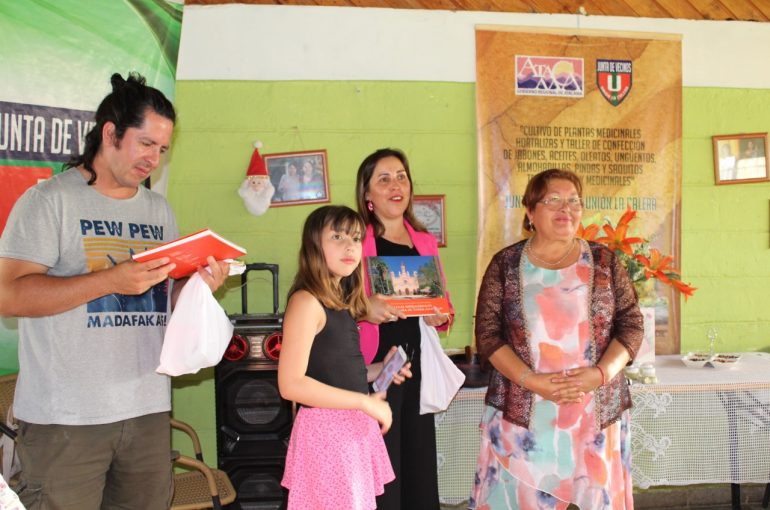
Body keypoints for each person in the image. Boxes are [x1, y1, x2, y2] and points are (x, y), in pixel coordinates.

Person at [0, 72, 229, 509]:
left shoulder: (158, 211)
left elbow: (162, 300)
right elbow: (9, 296)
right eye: (146, 144)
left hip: (146, 410)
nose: (154, 160)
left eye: (163, 150)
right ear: (110, 133)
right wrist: (110, 279)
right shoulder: (49, 200)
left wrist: (195, 288)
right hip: (65, 419)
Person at [469, 168, 643, 510]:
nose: (567, 208)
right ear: (530, 212)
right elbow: (488, 336)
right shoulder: (505, 265)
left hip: (594, 411)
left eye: (574, 201)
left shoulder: (605, 261)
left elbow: (632, 325)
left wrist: (600, 373)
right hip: (525, 413)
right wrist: (533, 381)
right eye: (553, 200)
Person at [278, 205, 410, 510]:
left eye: (355, 238)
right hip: (326, 435)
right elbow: (291, 384)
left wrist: (378, 371)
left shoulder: (339, 303)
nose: (349, 245)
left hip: (349, 432)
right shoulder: (306, 302)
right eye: (337, 237)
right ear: (314, 245)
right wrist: (364, 402)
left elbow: (329, 371)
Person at [354, 147, 454, 510]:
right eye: (384, 179)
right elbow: (334, 304)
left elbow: (443, 302)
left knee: (417, 461)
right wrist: (366, 308)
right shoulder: (353, 239)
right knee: (381, 465)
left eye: (401, 176)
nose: (395, 185)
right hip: (375, 367)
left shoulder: (424, 240)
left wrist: (440, 314)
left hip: (415, 366)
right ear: (367, 194)